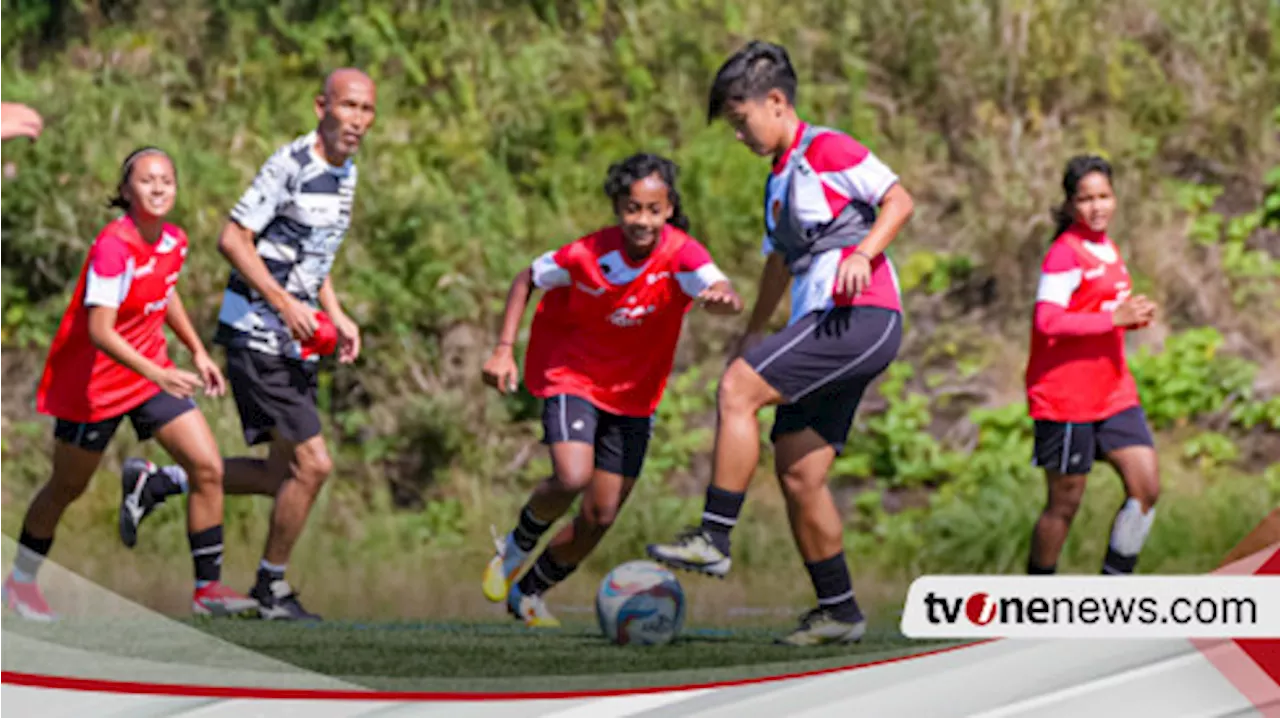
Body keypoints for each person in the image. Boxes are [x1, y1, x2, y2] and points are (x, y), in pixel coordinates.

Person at [645, 41, 916, 646]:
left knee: (736, 392)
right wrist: (752, 331)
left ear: (775, 101)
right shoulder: (778, 180)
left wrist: (865, 255)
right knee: (798, 469)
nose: (738, 135)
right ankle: (839, 610)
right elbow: (779, 265)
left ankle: (713, 537)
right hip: (824, 323)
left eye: (741, 121)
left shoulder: (827, 148)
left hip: (862, 316)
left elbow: (899, 200)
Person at [119, 68, 377, 621]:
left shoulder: (347, 171)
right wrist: (285, 306)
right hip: (258, 333)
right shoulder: (291, 164)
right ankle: (271, 589)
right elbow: (232, 239)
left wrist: (335, 313)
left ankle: (159, 481)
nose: (357, 119)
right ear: (321, 107)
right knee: (314, 465)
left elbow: (313, 252)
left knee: (277, 475)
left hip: (294, 342)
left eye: (367, 109)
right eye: (348, 106)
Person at [480, 153, 742, 627]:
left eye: (653, 210)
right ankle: (515, 547)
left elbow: (717, 283)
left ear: (668, 209)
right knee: (572, 476)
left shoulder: (682, 254)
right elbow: (527, 278)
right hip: (572, 375)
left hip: (634, 398)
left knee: (600, 516)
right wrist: (503, 349)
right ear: (618, 208)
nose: (642, 220)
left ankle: (530, 592)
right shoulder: (587, 254)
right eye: (632, 209)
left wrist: (722, 298)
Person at [1, 148, 257, 621]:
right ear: (125, 191)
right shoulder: (113, 248)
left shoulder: (173, 240)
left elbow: (164, 290)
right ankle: (18, 583)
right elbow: (100, 331)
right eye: (146, 180)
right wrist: (159, 372)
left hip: (146, 377)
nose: (159, 188)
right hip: (93, 387)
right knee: (65, 488)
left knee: (208, 468)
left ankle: (208, 591)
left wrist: (196, 351)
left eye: (167, 180)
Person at [1024, 155, 1160, 576]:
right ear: (1070, 205)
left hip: (1114, 392)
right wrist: (1112, 319)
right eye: (1086, 199)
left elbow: (1102, 310)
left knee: (1146, 488)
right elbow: (1048, 321)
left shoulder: (1109, 249)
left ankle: (1109, 594)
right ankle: (1034, 603)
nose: (1097, 207)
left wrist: (1131, 315)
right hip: (1066, 398)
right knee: (1064, 505)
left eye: (1104, 196)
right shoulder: (1064, 255)